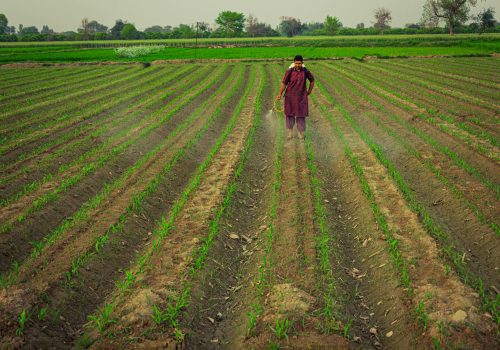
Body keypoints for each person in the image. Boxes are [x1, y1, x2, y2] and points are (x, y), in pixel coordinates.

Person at [276, 55, 315, 140]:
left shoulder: (305, 71)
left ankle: (300, 134)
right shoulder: (289, 71)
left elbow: (312, 80)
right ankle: (290, 133)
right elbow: (284, 83)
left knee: (301, 115)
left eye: (299, 63)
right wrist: (280, 94)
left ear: (302, 63)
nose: (298, 65)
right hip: (290, 96)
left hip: (301, 97)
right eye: (296, 63)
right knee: (289, 115)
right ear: (294, 63)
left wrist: (309, 91)